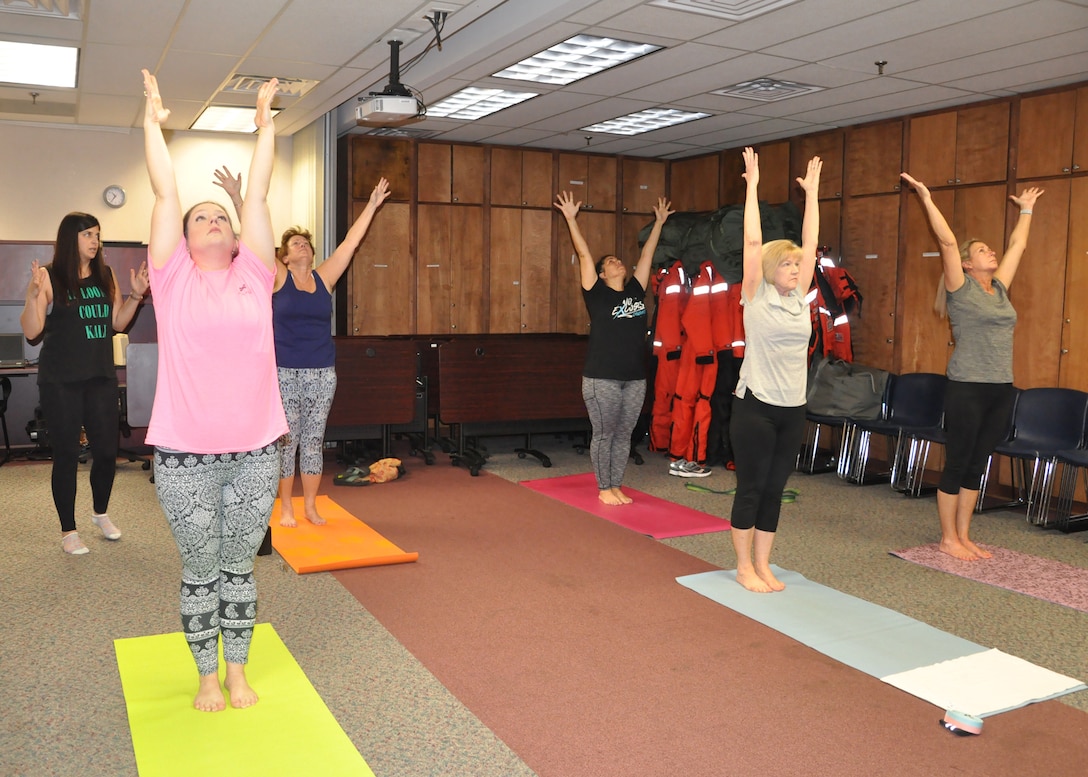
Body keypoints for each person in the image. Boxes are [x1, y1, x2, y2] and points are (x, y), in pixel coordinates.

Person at [141, 68, 287, 712]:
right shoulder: (171, 280)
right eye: (201, 218)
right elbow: (165, 190)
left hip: (257, 451)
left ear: (235, 237)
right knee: (201, 570)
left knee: (241, 567)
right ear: (185, 237)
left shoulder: (256, 272)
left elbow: (256, 196)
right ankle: (205, 675)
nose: (211, 220)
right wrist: (152, 122)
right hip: (184, 458)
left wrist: (266, 126)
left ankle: (236, 671)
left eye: (219, 217)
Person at [214, 168, 391, 526]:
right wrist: (237, 198)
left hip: (322, 373)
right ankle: (288, 506)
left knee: (314, 441)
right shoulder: (278, 277)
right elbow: (251, 241)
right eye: (296, 244)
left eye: (306, 243)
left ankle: (310, 505)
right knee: (288, 442)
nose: (304, 246)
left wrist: (372, 205)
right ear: (284, 255)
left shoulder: (325, 277)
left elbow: (350, 244)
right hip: (284, 373)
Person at [900, 172, 1043, 561]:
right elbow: (946, 240)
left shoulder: (999, 288)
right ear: (966, 263)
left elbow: (1018, 246)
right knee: (959, 461)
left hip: (1001, 387)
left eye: (989, 250)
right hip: (966, 387)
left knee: (978, 463)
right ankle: (947, 538)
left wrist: (1026, 210)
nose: (991, 253)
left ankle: (964, 535)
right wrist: (927, 198)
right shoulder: (958, 288)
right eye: (982, 251)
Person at [20, 213, 149, 555]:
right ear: (70, 238)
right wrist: (33, 295)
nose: (95, 241)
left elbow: (117, 323)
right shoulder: (48, 276)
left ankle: (100, 514)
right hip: (61, 381)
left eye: (97, 235)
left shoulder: (105, 275)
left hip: (99, 377)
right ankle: (68, 531)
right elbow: (32, 331)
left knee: (106, 453)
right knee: (65, 455)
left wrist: (136, 297)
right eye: (88, 234)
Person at [729, 147, 821, 593]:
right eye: (787, 263)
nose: (795, 269)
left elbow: (812, 240)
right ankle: (744, 566)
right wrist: (753, 186)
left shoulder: (799, 297)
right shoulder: (756, 294)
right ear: (770, 269)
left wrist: (814, 197)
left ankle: (765, 564)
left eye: (798, 265)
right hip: (755, 406)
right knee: (751, 487)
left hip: (793, 408)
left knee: (775, 489)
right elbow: (752, 242)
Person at [555, 190, 672, 506]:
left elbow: (646, 255)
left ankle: (616, 484)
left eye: (618, 259)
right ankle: (604, 486)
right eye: (609, 262)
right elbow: (582, 254)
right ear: (602, 274)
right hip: (602, 377)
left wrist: (659, 222)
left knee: (624, 435)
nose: (617, 262)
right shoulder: (596, 294)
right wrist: (570, 218)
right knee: (604, 434)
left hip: (634, 377)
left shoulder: (635, 290)